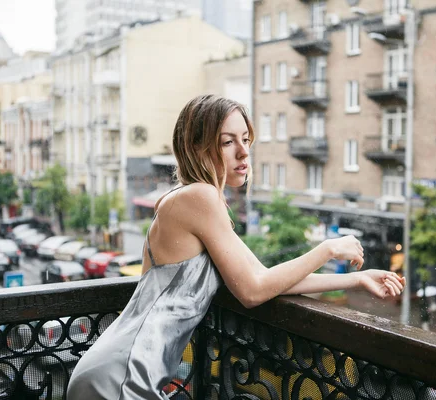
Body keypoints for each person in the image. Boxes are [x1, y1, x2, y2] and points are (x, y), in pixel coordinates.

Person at [66, 94, 406, 400]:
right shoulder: (198, 197)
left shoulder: (196, 200)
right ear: (197, 147)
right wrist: (328, 249)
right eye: (228, 142)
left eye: (245, 140)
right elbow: (253, 292)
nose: (244, 152)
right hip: (121, 375)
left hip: (125, 369)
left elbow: (264, 277)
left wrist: (354, 279)